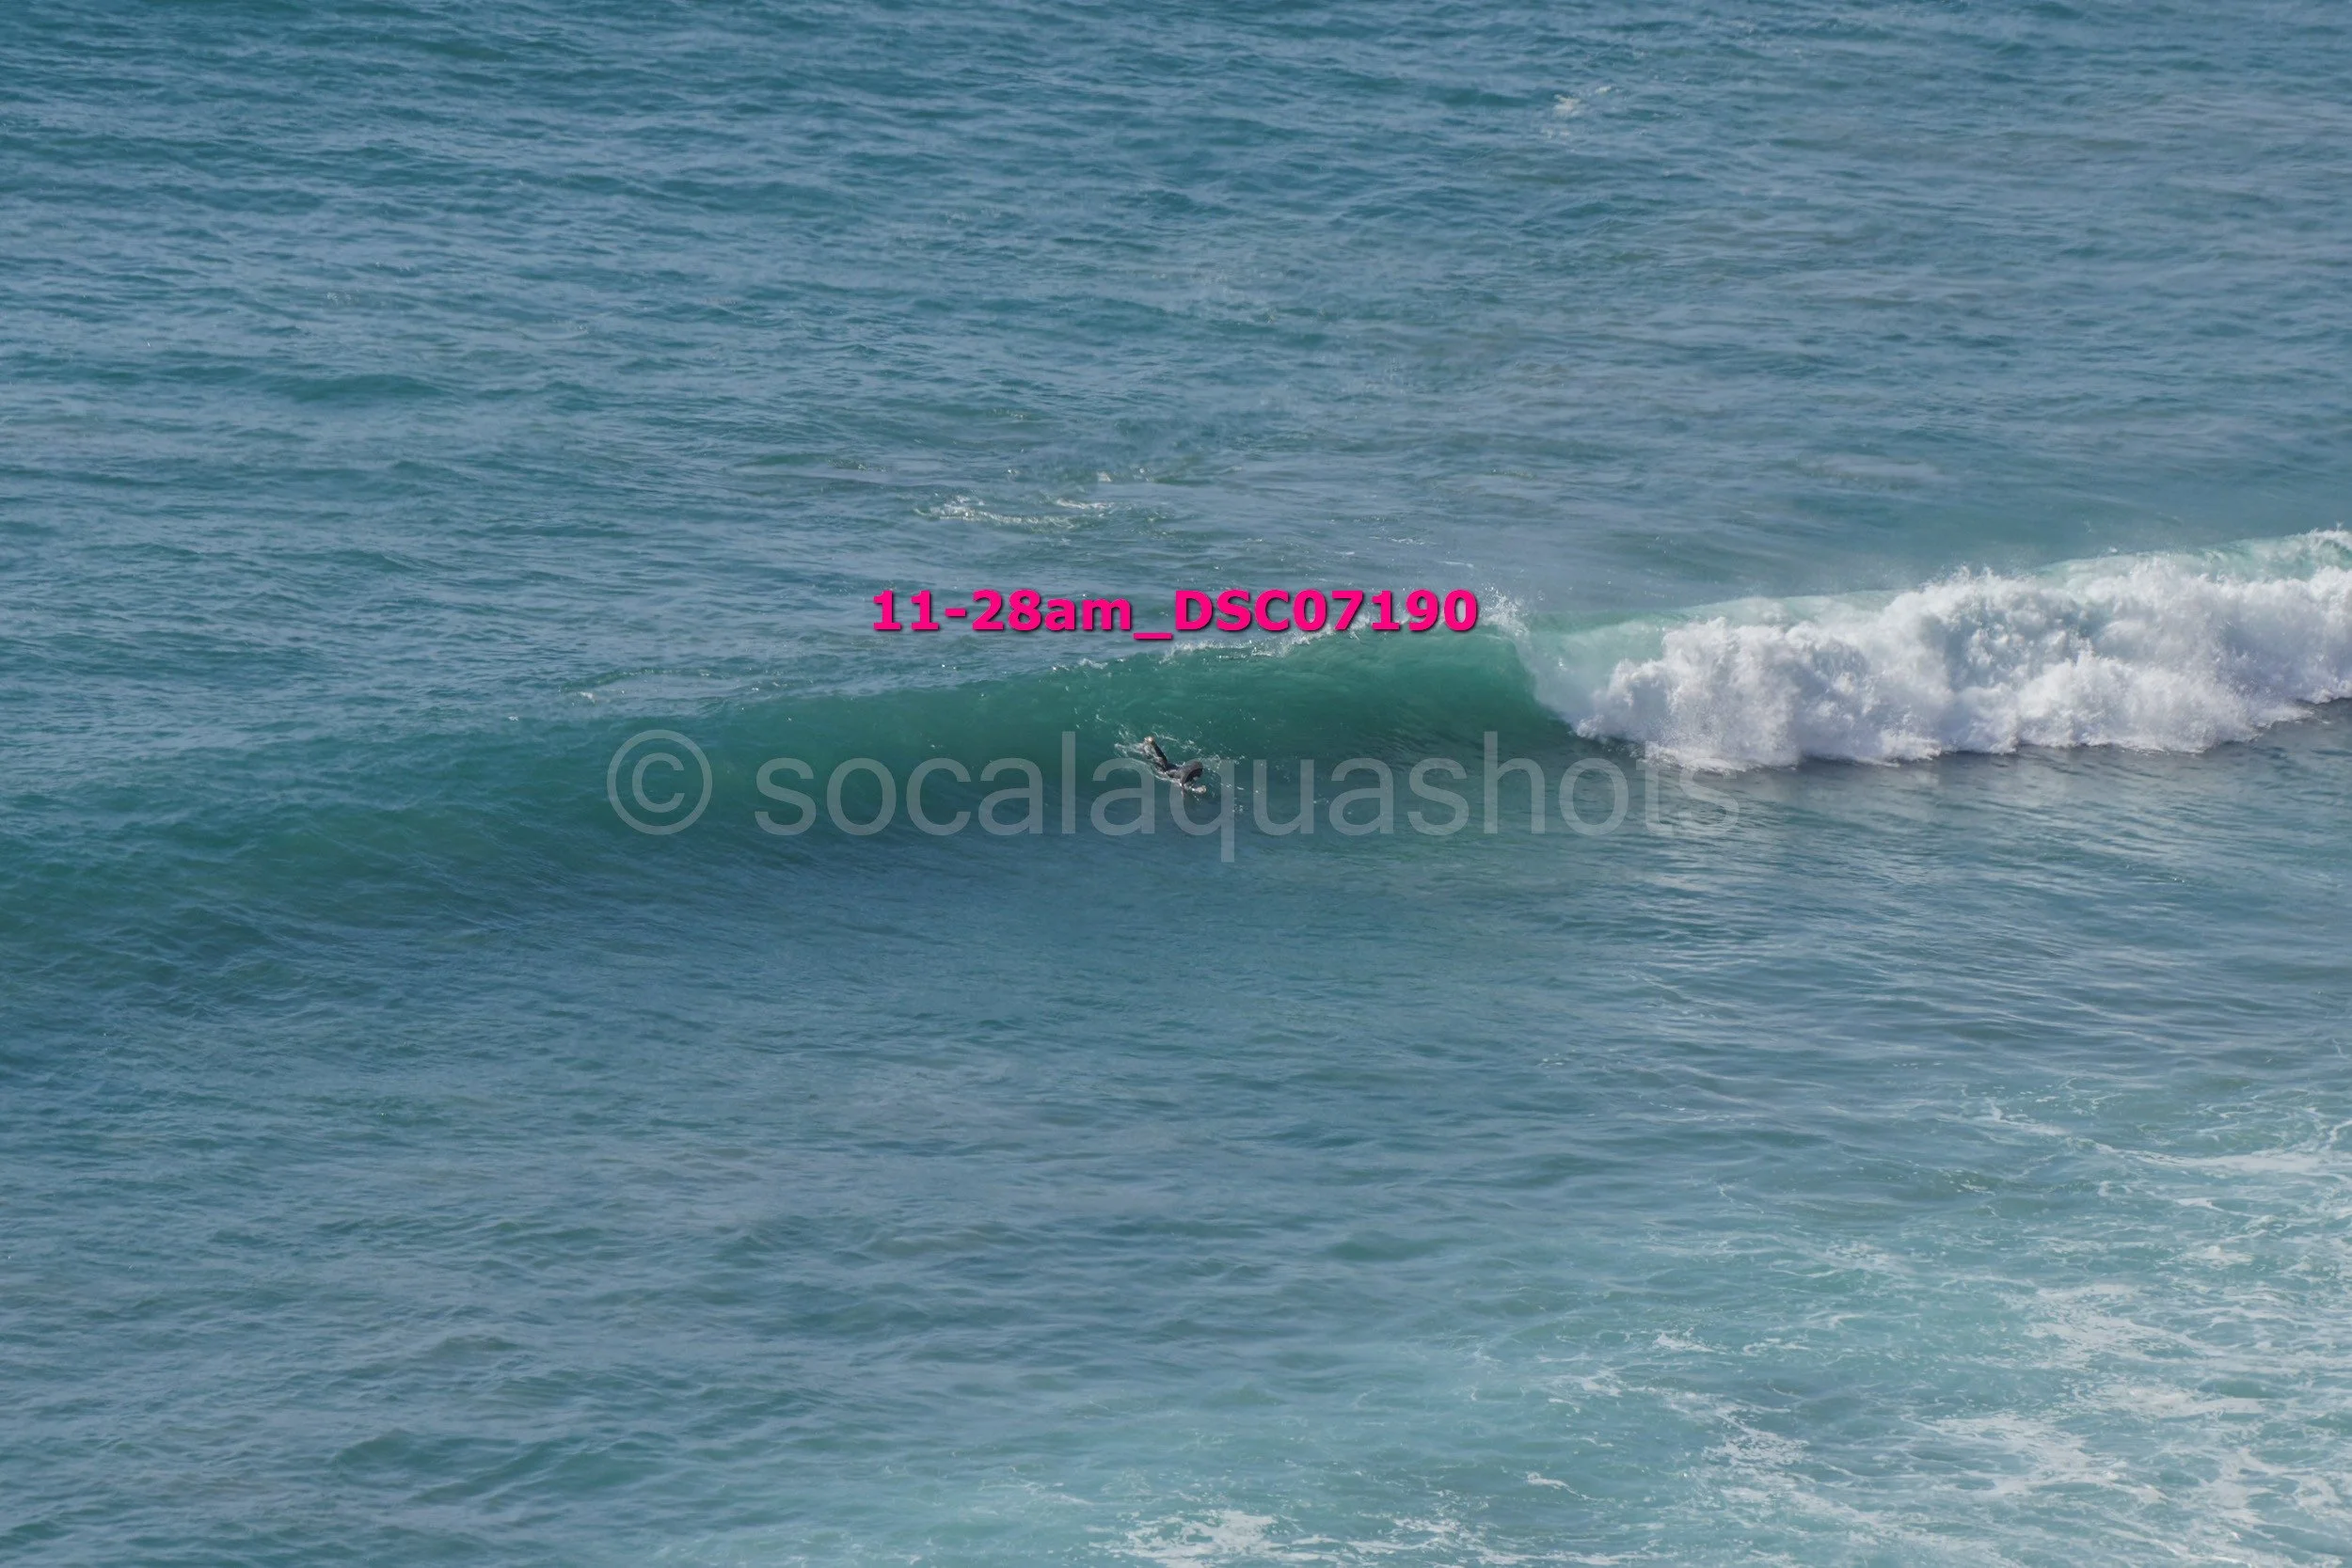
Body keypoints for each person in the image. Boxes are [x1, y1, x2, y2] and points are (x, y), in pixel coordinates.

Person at [1141, 735, 1205, 788]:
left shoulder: (1189, 769)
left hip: (1172, 766)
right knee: (1152, 760)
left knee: (1163, 759)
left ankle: (1153, 744)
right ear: (1194, 770)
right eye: (1199, 770)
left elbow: (1191, 780)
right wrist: (1184, 795)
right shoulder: (1185, 774)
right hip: (1165, 771)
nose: (1201, 772)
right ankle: (1143, 750)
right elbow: (1181, 786)